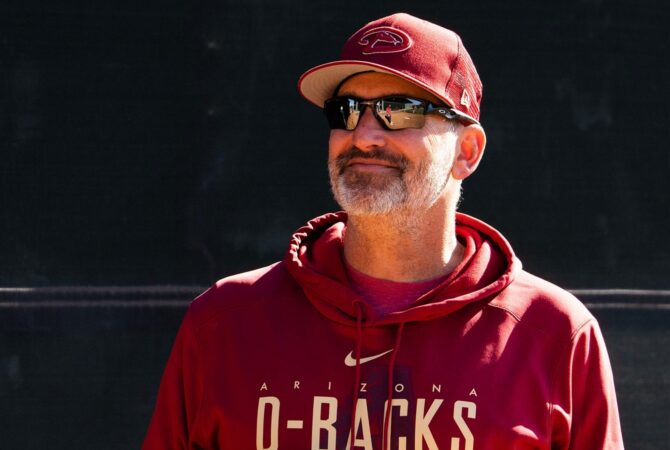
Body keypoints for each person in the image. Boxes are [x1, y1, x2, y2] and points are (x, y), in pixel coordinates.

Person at [143, 12, 624, 450]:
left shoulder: (553, 333)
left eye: (400, 109)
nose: (365, 135)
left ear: (468, 152)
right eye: (346, 111)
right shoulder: (225, 322)